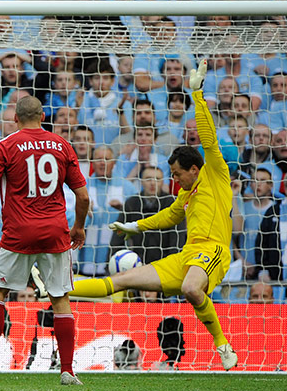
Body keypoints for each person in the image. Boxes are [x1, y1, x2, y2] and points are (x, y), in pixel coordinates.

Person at [72, 60, 239, 371]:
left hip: (213, 252)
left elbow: (208, 138)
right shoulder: (185, 194)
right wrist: (131, 225)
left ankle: (222, 345)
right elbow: (166, 218)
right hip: (187, 256)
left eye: (177, 174)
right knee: (121, 280)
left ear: (193, 169)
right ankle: (56, 287)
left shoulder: (216, 175)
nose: (174, 180)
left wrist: (197, 94)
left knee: (191, 288)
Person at [0, 96, 90, 385]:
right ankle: (68, 371)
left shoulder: (7, 145)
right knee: (60, 299)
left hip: (18, 234)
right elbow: (83, 196)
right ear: (43, 116)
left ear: (15, 118)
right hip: (55, 232)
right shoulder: (62, 145)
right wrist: (78, 227)